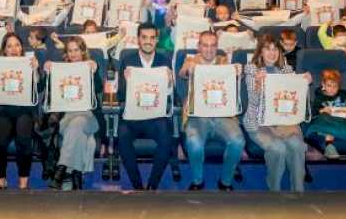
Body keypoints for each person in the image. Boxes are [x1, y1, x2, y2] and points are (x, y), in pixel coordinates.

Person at [178, 31, 245, 190]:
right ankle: (197, 181)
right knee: (194, 143)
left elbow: (234, 77)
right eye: (205, 45)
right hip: (197, 116)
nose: (209, 49)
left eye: (213, 45)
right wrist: (190, 69)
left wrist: (237, 70)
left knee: (238, 141)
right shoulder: (191, 60)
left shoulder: (223, 61)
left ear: (217, 46)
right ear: (198, 46)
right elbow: (183, 72)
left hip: (223, 115)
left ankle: (225, 181)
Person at [243, 35, 310, 191]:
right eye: (267, 48)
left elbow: (296, 99)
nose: (272, 53)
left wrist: (304, 83)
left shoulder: (287, 70)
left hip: (284, 123)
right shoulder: (252, 69)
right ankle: (274, 189)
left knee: (297, 146)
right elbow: (253, 101)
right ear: (260, 52)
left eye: (275, 49)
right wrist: (259, 85)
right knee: (278, 148)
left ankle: (298, 191)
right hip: (259, 123)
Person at [117, 22, 173, 190]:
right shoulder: (128, 60)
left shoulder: (164, 60)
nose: (148, 41)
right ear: (138, 40)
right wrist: (126, 82)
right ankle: (137, 185)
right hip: (133, 118)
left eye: (152, 38)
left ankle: (152, 185)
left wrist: (169, 83)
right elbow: (120, 95)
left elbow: (170, 96)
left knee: (166, 134)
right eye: (144, 37)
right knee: (122, 135)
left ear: (157, 40)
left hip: (155, 117)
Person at [45, 36, 103, 190]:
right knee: (81, 134)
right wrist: (49, 73)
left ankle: (62, 169)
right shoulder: (60, 70)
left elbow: (98, 88)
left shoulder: (90, 66)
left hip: (89, 118)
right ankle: (76, 174)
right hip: (66, 121)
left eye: (76, 50)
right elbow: (52, 95)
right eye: (70, 51)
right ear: (66, 53)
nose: (73, 54)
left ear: (83, 51)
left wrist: (94, 72)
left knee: (79, 122)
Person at [0, 33, 39, 190]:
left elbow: (39, 88)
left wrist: (35, 71)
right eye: (9, 46)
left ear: (22, 47)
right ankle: (1, 178)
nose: (14, 49)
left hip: (24, 109)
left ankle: (23, 181)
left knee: (24, 140)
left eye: (17, 45)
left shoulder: (30, 62)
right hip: (2, 108)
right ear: (4, 49)